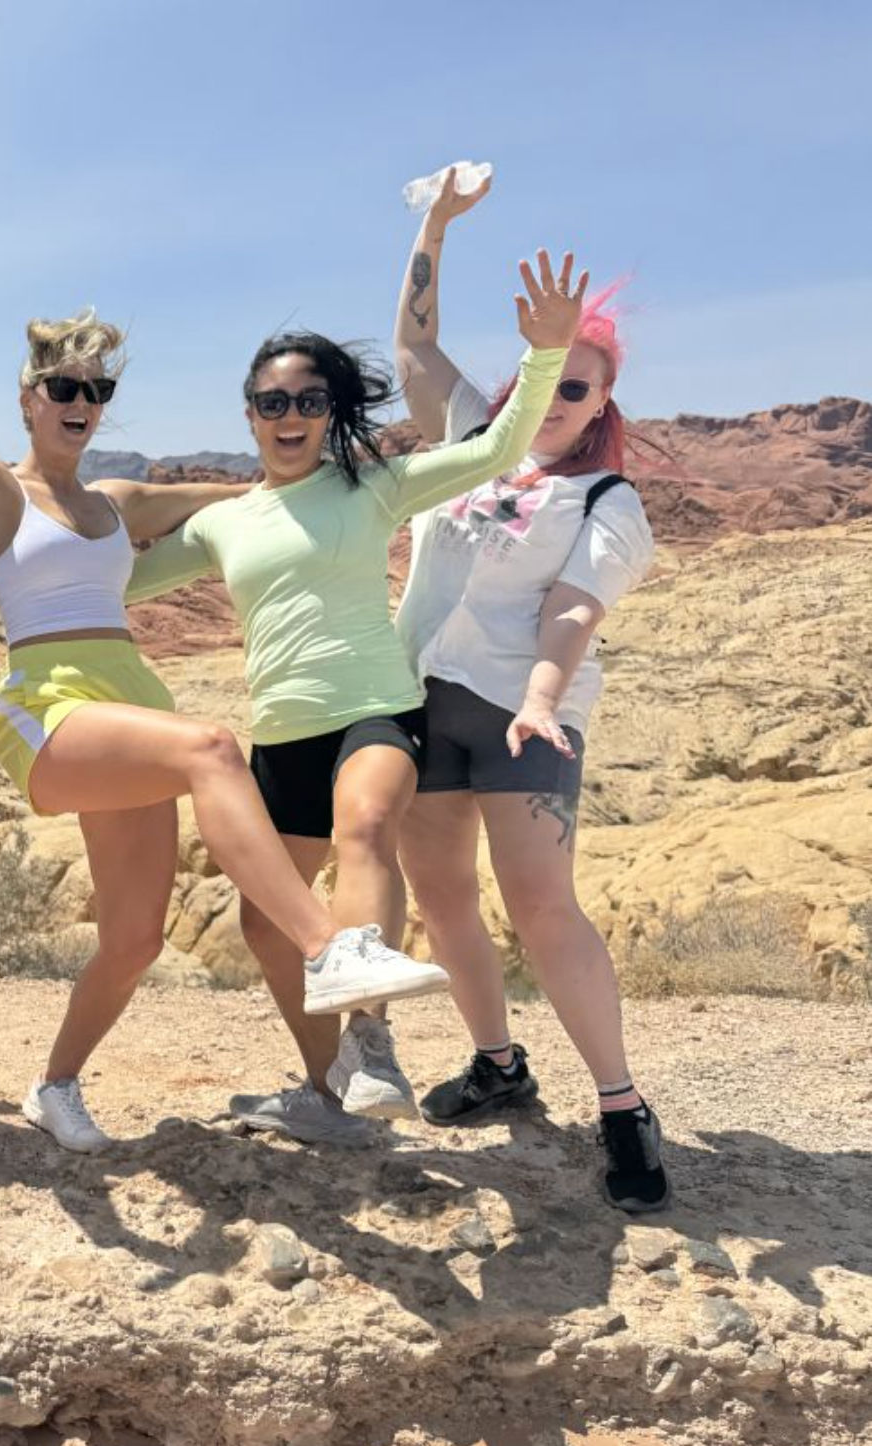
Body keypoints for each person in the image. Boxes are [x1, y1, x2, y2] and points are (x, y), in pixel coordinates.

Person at [0, 225, 452, 1154]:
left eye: (97, 390)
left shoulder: (117, 501)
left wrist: (340, 469)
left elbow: (263, 494)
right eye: (63, 387)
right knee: (211, 749)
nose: (81, 402)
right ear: (30, 399)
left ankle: (57, 1086)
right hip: (49, 704)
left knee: (135, 938)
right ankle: (329, 949)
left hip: (127, 699)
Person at [124, 246, 591, 1146]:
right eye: (273, 402)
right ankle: (326, 1092)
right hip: (282, 732)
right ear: (251, 415)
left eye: (308, 401)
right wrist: (19, 517)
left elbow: (496, 446)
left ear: (330, 412)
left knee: (367, 829)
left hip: (376, 709)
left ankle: (371, 1041)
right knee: (267, 928)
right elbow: (115, 585)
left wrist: (544, 355)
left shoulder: (371, 487)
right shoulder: (223, 522)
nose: (290, 416)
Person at [391, 168, 668, 1211]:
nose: (552, 401)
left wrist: (544, 697)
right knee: (443, 898)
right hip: (420, 703)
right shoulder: (468, 434)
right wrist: (434, 226)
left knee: (543, 909)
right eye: (543, 376)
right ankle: (499, 1064)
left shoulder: (606, 498)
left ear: (601, 403)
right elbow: (413, 346)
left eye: (577, 386)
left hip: (522, 719)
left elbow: (571, 607)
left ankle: (621, 1105)